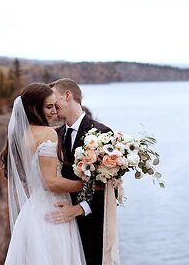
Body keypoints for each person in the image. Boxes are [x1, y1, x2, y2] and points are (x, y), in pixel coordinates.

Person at [0, 83, 86, 265]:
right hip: (52, 214)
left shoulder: (19, 135)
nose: (54, 111)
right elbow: (50, 182)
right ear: (33, 108)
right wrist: (86, 184)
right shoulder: (48, 134)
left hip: (32, 213)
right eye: (48, 107)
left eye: (55, 106)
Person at [46, 78, 117, 265]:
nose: (53, 107)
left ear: (67, 95)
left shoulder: (101, 134)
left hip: (91, 228)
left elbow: (110, 187)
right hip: (62, 228)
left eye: (54, 100)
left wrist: (77, 210)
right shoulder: (56, 135)